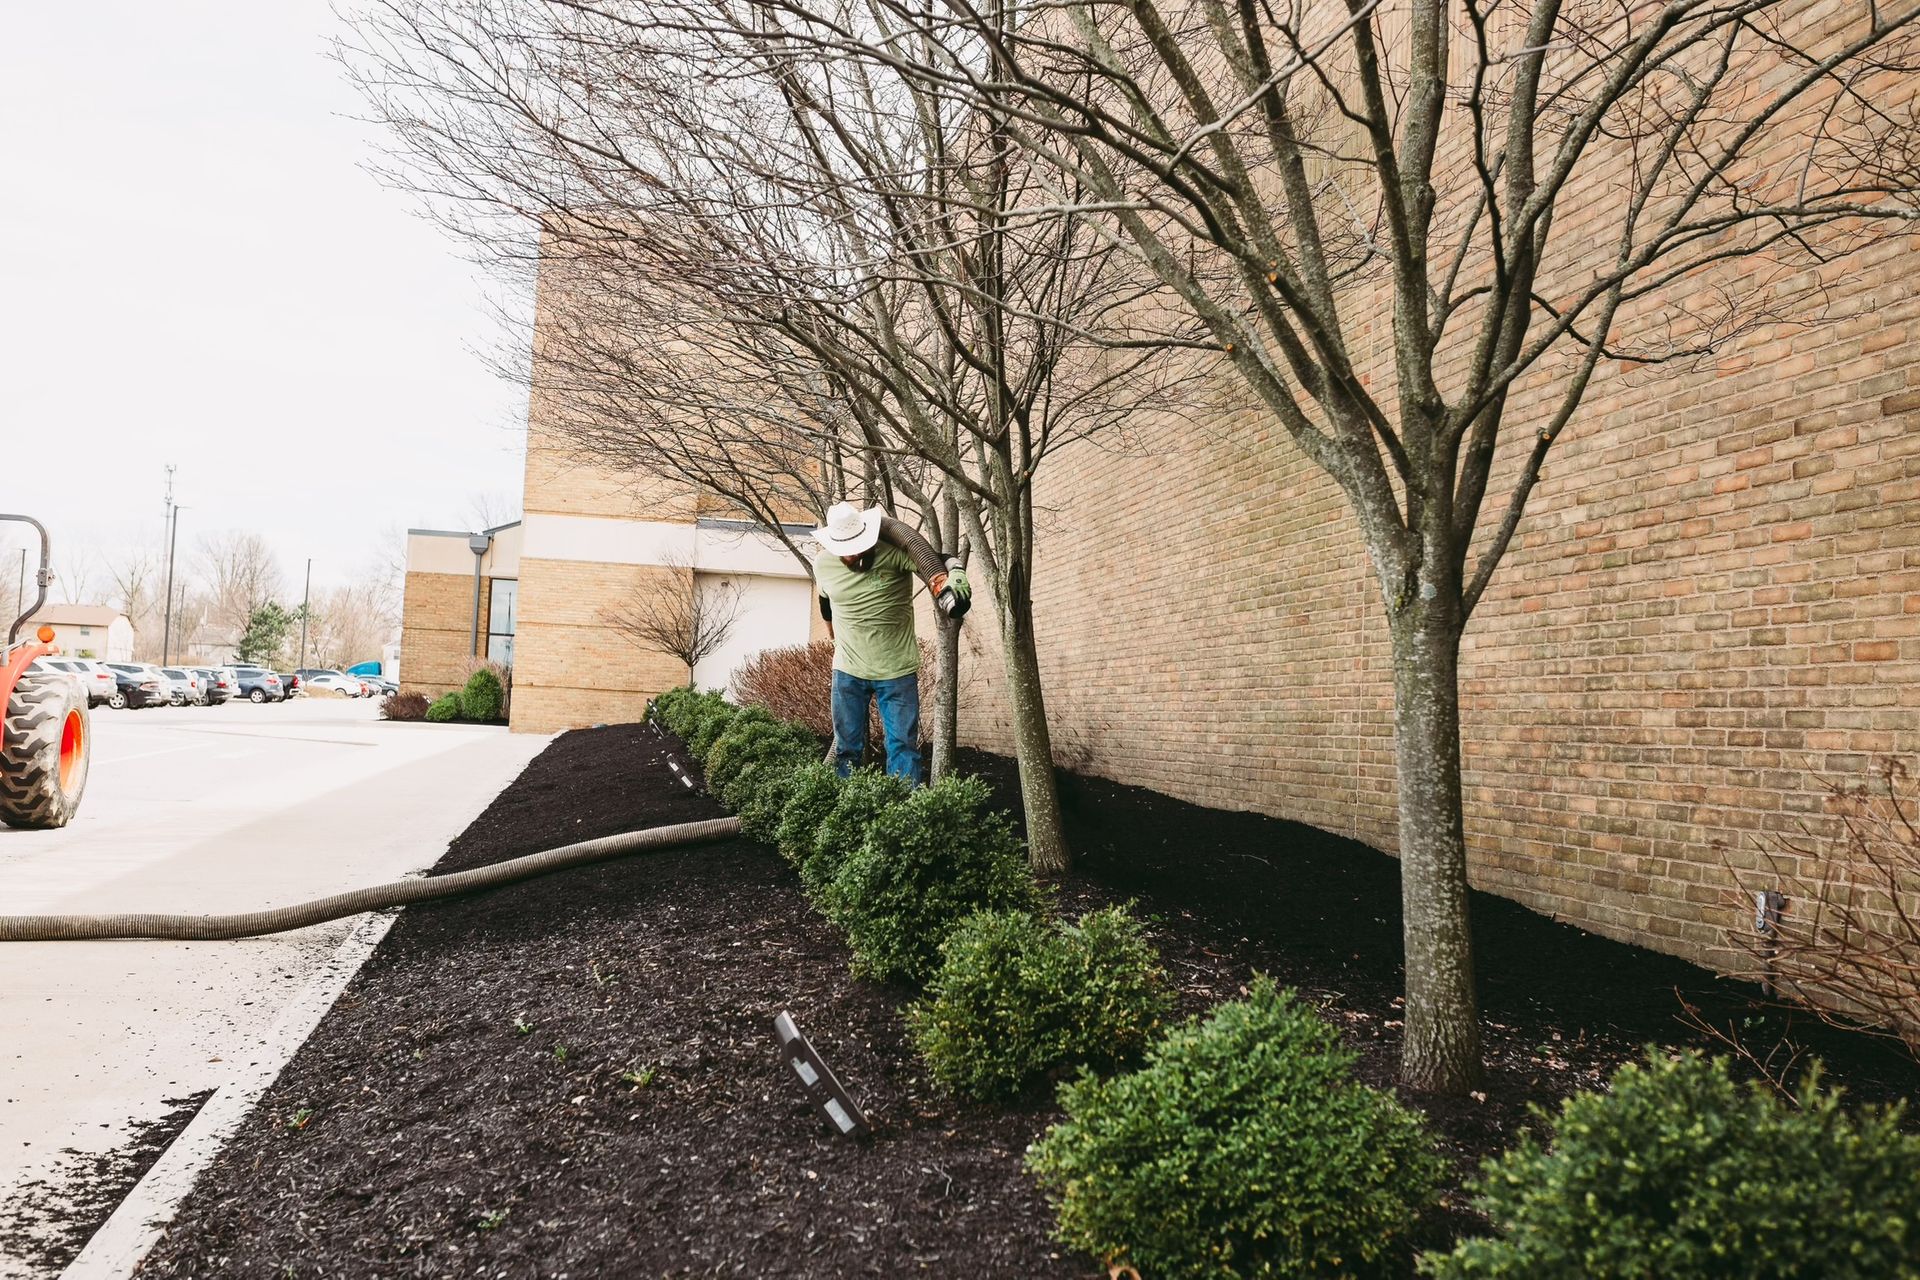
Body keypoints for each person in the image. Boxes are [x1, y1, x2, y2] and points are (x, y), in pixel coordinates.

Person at [811, 501, 968, 782]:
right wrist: (833, 637)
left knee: (903, 749)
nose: (855, 553)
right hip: (848, 671)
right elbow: (825, 603)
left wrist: (955, 571)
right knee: (847, 750)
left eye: (859, 545)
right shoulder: (822, 564)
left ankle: (904, 819)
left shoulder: (893, 551)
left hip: (896, 671)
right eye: (847, 551)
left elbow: (932, 558)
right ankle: (848, 814)